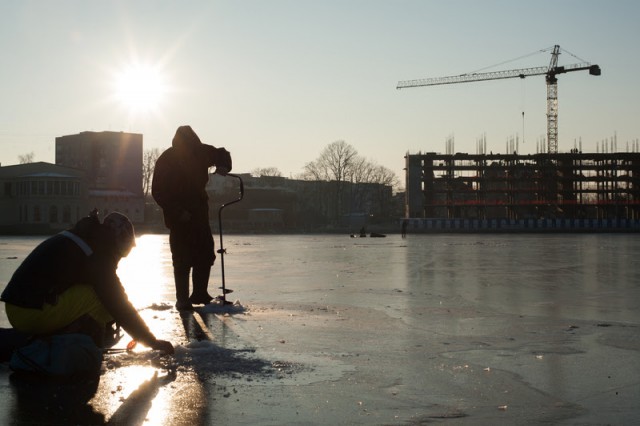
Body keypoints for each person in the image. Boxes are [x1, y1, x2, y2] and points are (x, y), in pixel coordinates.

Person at [1, 210, 174, 355]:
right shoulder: (96, 255)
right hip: (28, 313)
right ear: (118, 244)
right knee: (101, 300)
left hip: (18, 307)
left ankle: (71, 333)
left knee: (96, 295)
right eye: (120, 256)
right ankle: (87, 347)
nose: (117, 261)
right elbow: (117, 303)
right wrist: (151, 341)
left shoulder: (85, 239)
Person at [152, 125, 232, 311]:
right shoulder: (167, 159)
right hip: (179, 217)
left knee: (205, 253)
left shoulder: (201, 152)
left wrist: (223, 166)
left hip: (199, 212)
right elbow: (159, 191)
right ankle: (182, 299)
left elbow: (222, 153)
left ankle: (199, 293)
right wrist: (177, 212)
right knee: (181, 258)